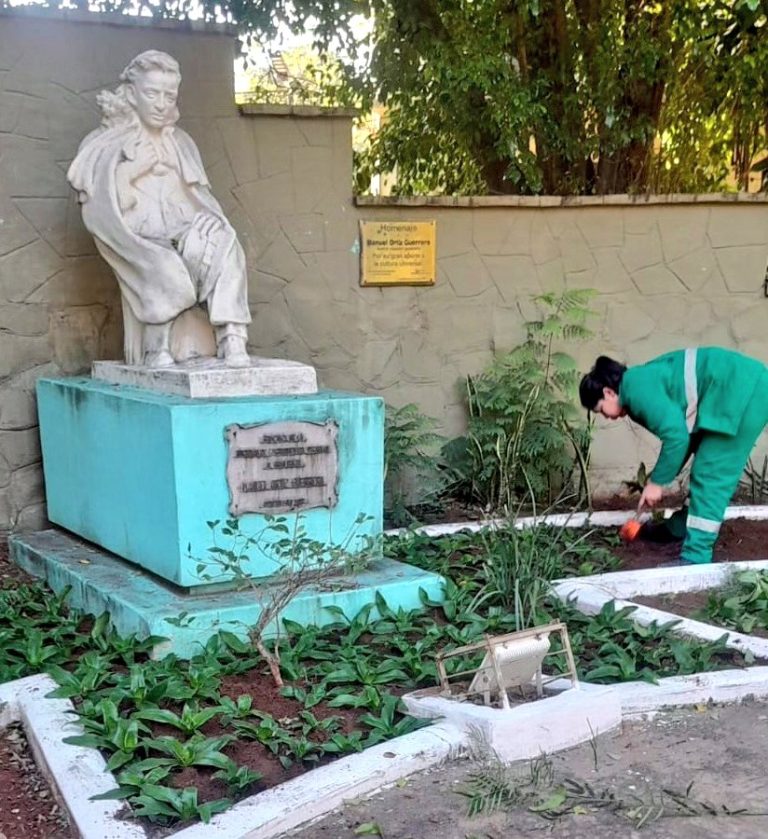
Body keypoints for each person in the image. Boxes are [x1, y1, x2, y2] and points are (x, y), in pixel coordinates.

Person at [68, 50, 251, 368]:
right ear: (130, 94)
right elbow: (103, 208)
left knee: (226, 241)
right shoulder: (103, 144)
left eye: (169, 95)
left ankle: (233, 337)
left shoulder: (181, 143)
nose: (162, 103)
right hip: (138, 238)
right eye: (152, 93)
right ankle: (156, 347)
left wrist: (208, 221)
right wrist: (132, 171)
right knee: (163, 260)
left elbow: (200, 197)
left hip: (182, 230)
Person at [580, 347, 768, 565]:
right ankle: (678, 529)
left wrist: (657, 482)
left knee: (710, 474)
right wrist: (657, 480)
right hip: (735, 392)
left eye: (601, 410)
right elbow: (685, 437)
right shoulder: (638, 383)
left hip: (741, 395)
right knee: (704, 469)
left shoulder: (635, 390)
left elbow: (677, 438)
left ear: (608, 393)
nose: (605, 417)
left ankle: (695, 557)